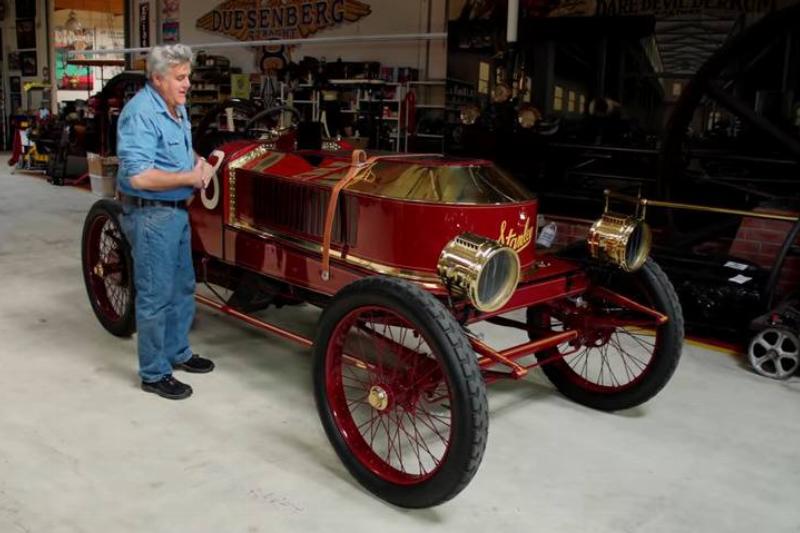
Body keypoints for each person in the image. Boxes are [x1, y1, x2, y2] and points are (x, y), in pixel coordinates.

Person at [116, 44, 215, 400]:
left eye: (188, 76)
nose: (187, 83)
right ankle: (154, 372)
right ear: (158, 79)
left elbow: (180, 149)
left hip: (174, 211)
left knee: (182, 287)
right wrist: (189, 179)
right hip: (150, 213)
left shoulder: (175, 108)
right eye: (180, 77)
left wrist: (199, 162)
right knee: (156, 294)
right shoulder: (141, 113)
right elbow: (139, 177)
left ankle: (177, 352)